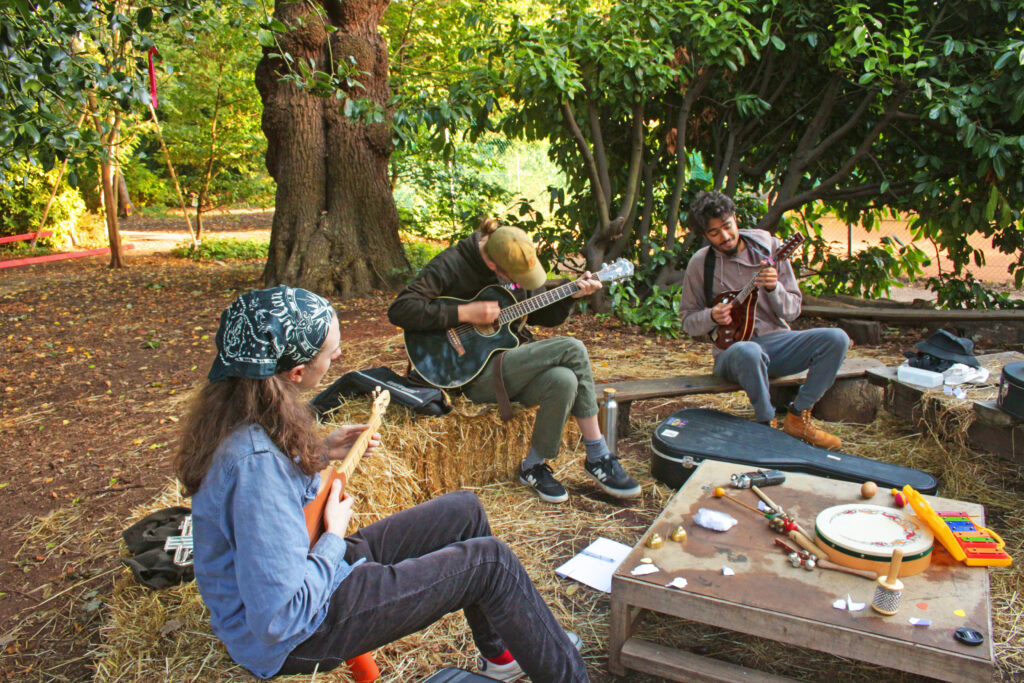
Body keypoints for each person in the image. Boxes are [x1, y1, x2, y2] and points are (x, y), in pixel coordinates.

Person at [175, 285, 588, 681]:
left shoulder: (244, 409)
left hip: (312, 568)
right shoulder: (254, 466)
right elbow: (280, 619)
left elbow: (272, 510)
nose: (339, 355)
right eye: (331, 352)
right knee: (491, 563)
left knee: (465, 510)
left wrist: (321, 452)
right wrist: (333, 537)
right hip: (298, 633)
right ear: (297, 372)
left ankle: (502, 657)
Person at [388, 219, 641, 503]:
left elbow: (541, 314)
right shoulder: (452, 263)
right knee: (573, 348)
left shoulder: (514, 253)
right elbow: (401, 309)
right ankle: (598, 455)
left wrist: (572, 295)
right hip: (467, 372)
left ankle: (533, 465)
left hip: (508, 364)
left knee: (564, 380)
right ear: (494, 266)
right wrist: (465, 313)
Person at [678, 191, 850, 449]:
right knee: (749, 351)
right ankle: (765, 424)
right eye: (714, 233)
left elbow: (793, 310)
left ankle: (798, 416)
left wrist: (774, 288)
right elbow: (687, 321)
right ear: (705, 235)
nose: (725, 236)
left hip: (778, 345)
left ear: (735, 218)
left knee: (837, 338)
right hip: (733, 355)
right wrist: (711, 316)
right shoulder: (701, 264)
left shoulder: (770, 248)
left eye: (727, 226)